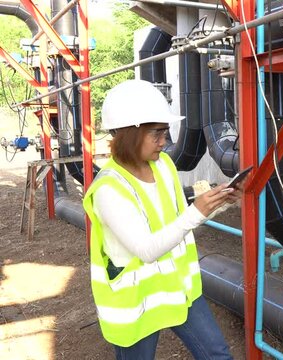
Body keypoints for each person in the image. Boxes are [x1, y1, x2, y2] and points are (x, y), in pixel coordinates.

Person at [82, 79, 237, 359]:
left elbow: (177, 213)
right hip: (137, 301)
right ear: (130, 133)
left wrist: (218, 202)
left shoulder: (163, 165)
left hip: (180, 287)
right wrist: (198, 211)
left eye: (165, 132)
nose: (164, 142)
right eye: (156, 133)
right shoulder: (109, 189)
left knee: (218, 355)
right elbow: (147, 249)